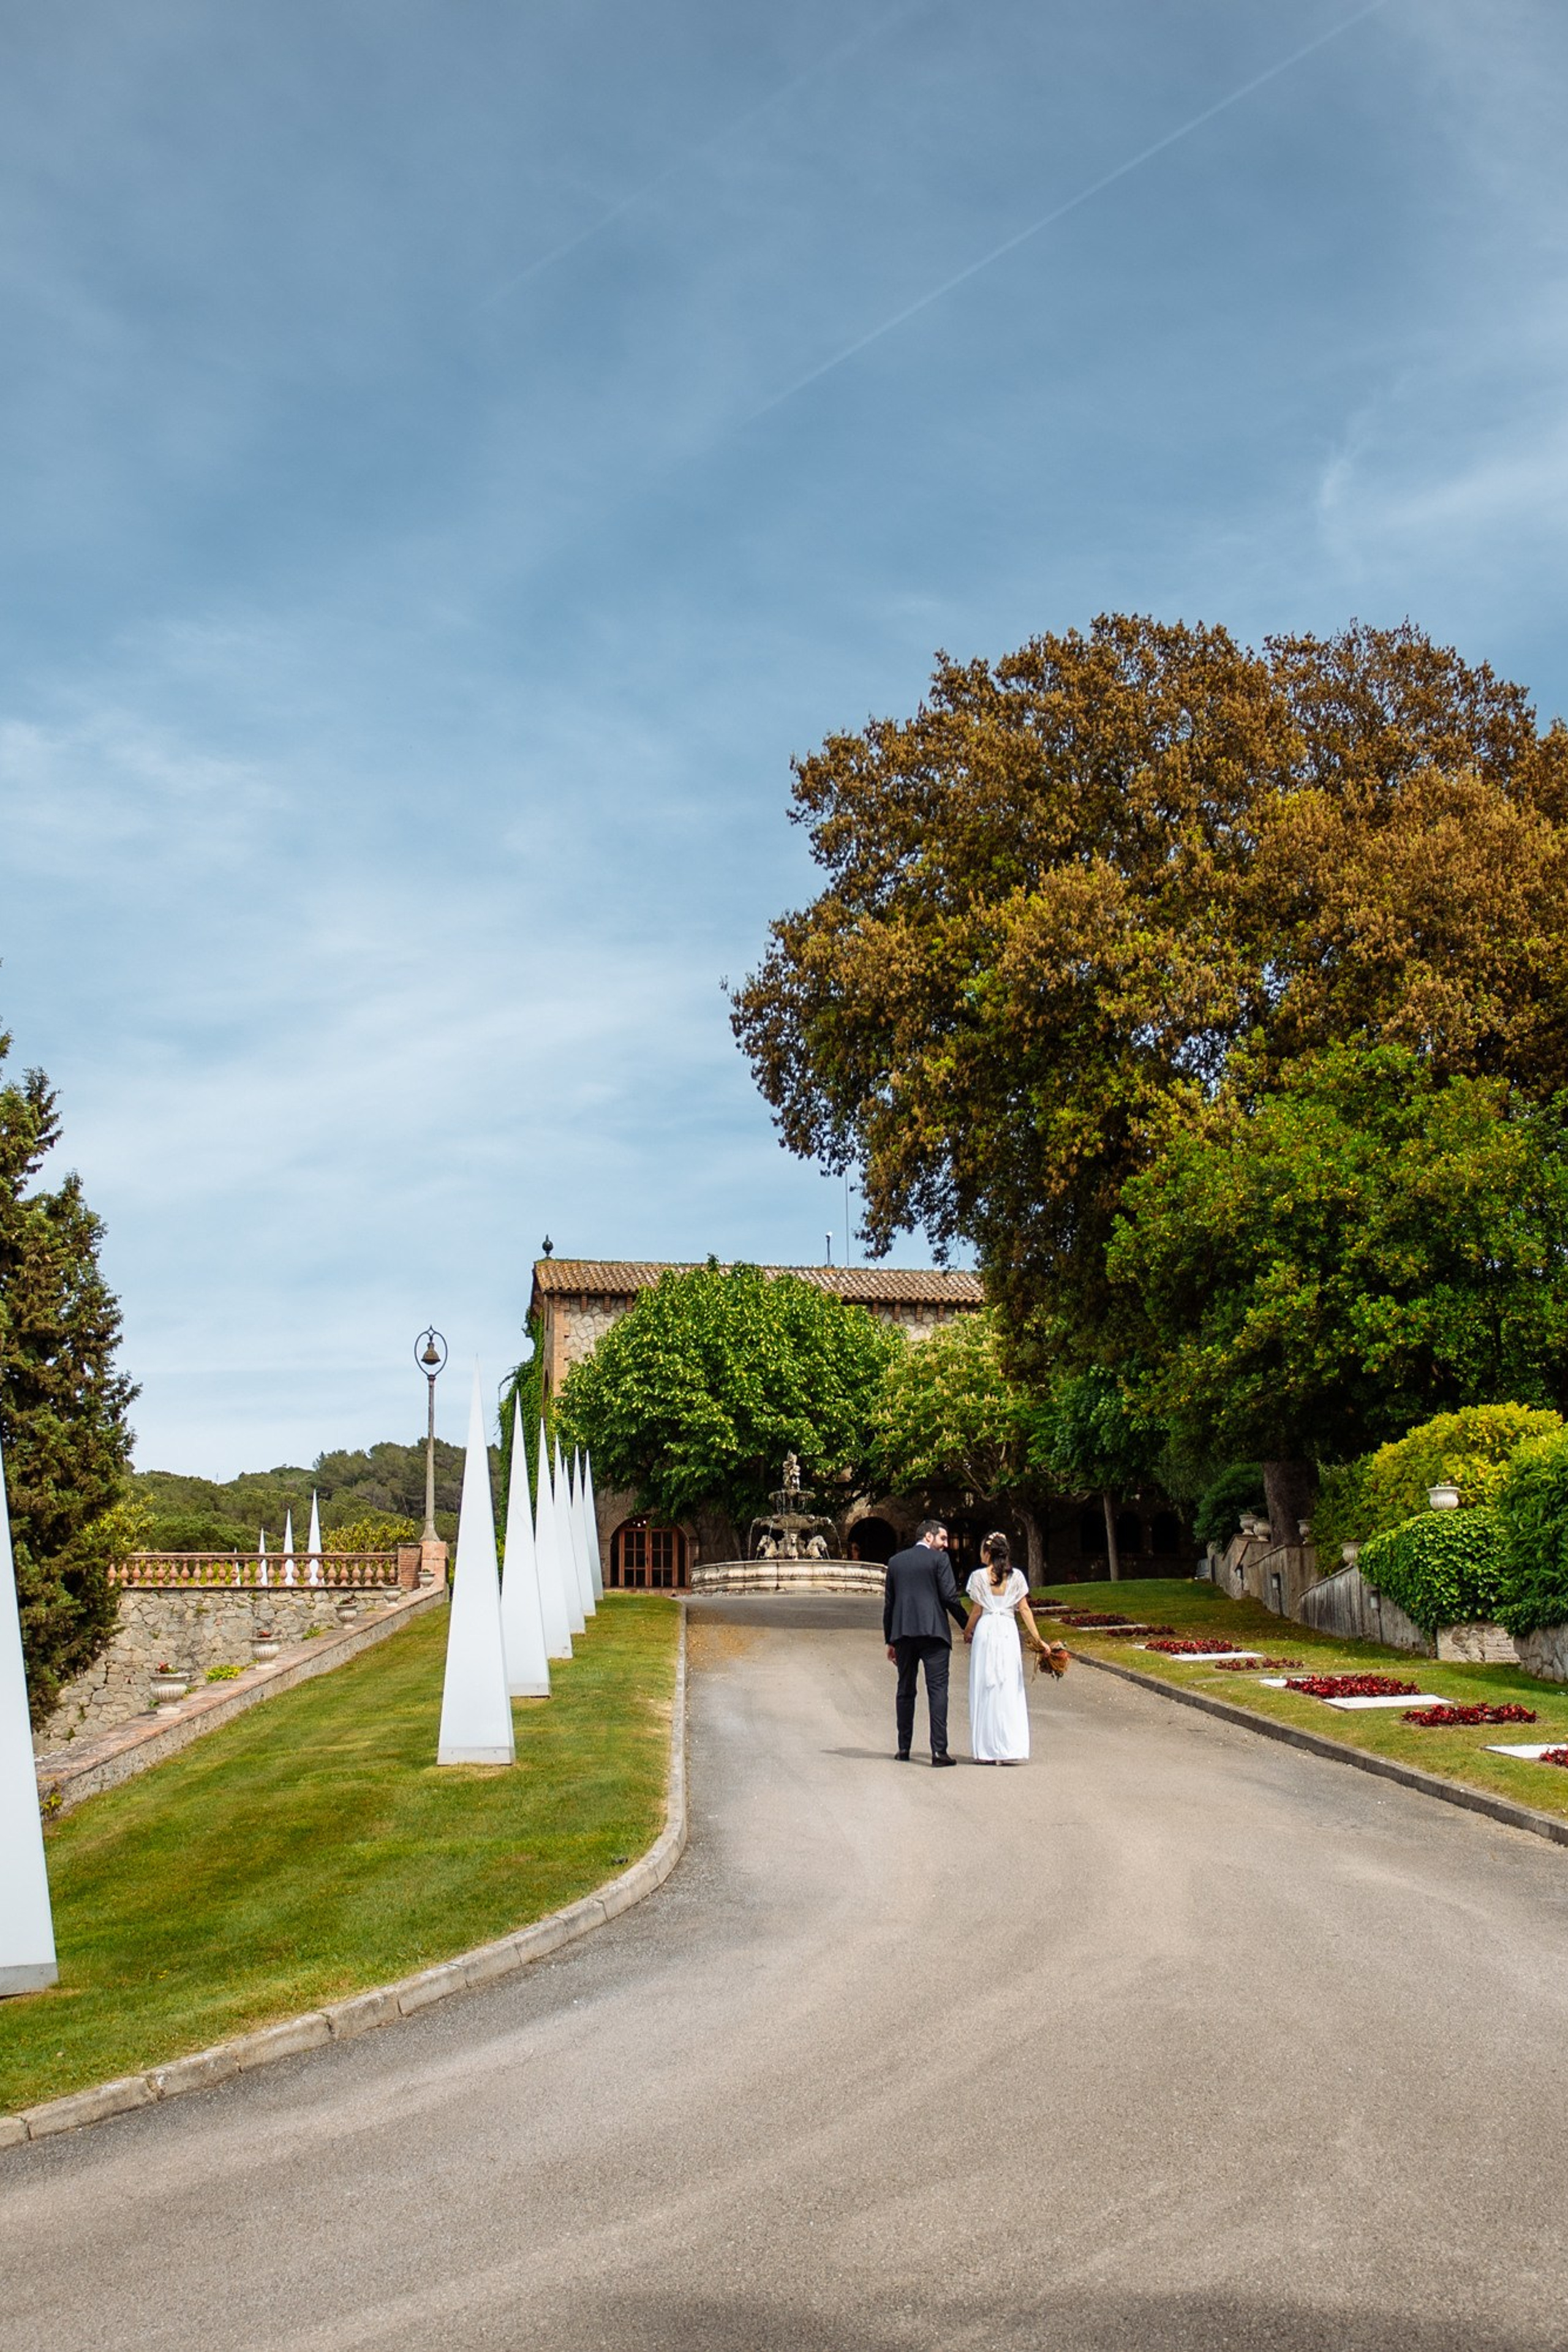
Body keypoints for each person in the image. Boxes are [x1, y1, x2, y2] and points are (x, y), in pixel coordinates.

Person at [883, 1519, 967, 1765]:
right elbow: (950, 1597)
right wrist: (968, 1626)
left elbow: (890, 1605)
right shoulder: (939, 1560)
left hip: (904, 1634)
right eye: (943, 1538)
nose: (946, 1545)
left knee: (905, 1690)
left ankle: (903, 1748)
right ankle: (939, 1751)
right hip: (934, 1633)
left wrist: (890, 1640)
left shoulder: (895, 1562)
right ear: (928, 1536)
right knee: (937, 1690)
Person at [962, 1532, 1041, 1764]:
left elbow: (977, 1610)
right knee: (1007, 1685)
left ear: (987, 1552)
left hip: (987, 1630)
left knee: (985, 1685)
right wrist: (1038, 1639)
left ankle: (986, 1749)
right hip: (1007, 1631)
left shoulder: (978, 1576)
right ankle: (1007, 1748)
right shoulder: (1016, 1577)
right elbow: (1024, 1609)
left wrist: (967, 1631)